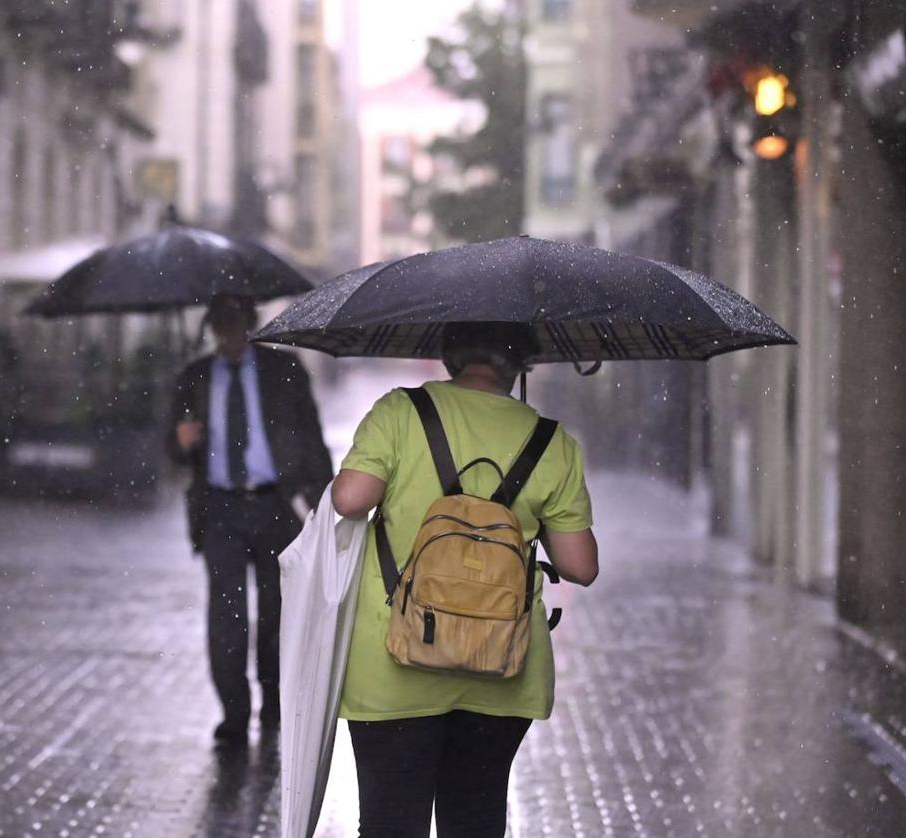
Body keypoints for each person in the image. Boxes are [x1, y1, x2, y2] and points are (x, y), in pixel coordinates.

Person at [331, 321, 600, 838]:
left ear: (450, 354)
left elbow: (350, 499)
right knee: (475, 821)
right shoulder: (553, 442)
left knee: (390, 824)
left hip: (394, 662)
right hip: (499, 668)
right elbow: (580, 566)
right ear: (521, 363)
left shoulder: (399, 412)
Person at [170, 293, 333, 747]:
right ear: (210, 326)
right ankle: (234, 716)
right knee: (227, 616)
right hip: (219, 508)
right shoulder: (194, 379)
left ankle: (274, 703)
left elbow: (312, 440)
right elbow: (171, 448)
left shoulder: (284, 372)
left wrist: (327, 507)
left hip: (274, 505)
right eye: (219, 323)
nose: (228, 333)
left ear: (250, 322)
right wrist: (182, 442)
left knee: (277, 613)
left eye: (235, 321)